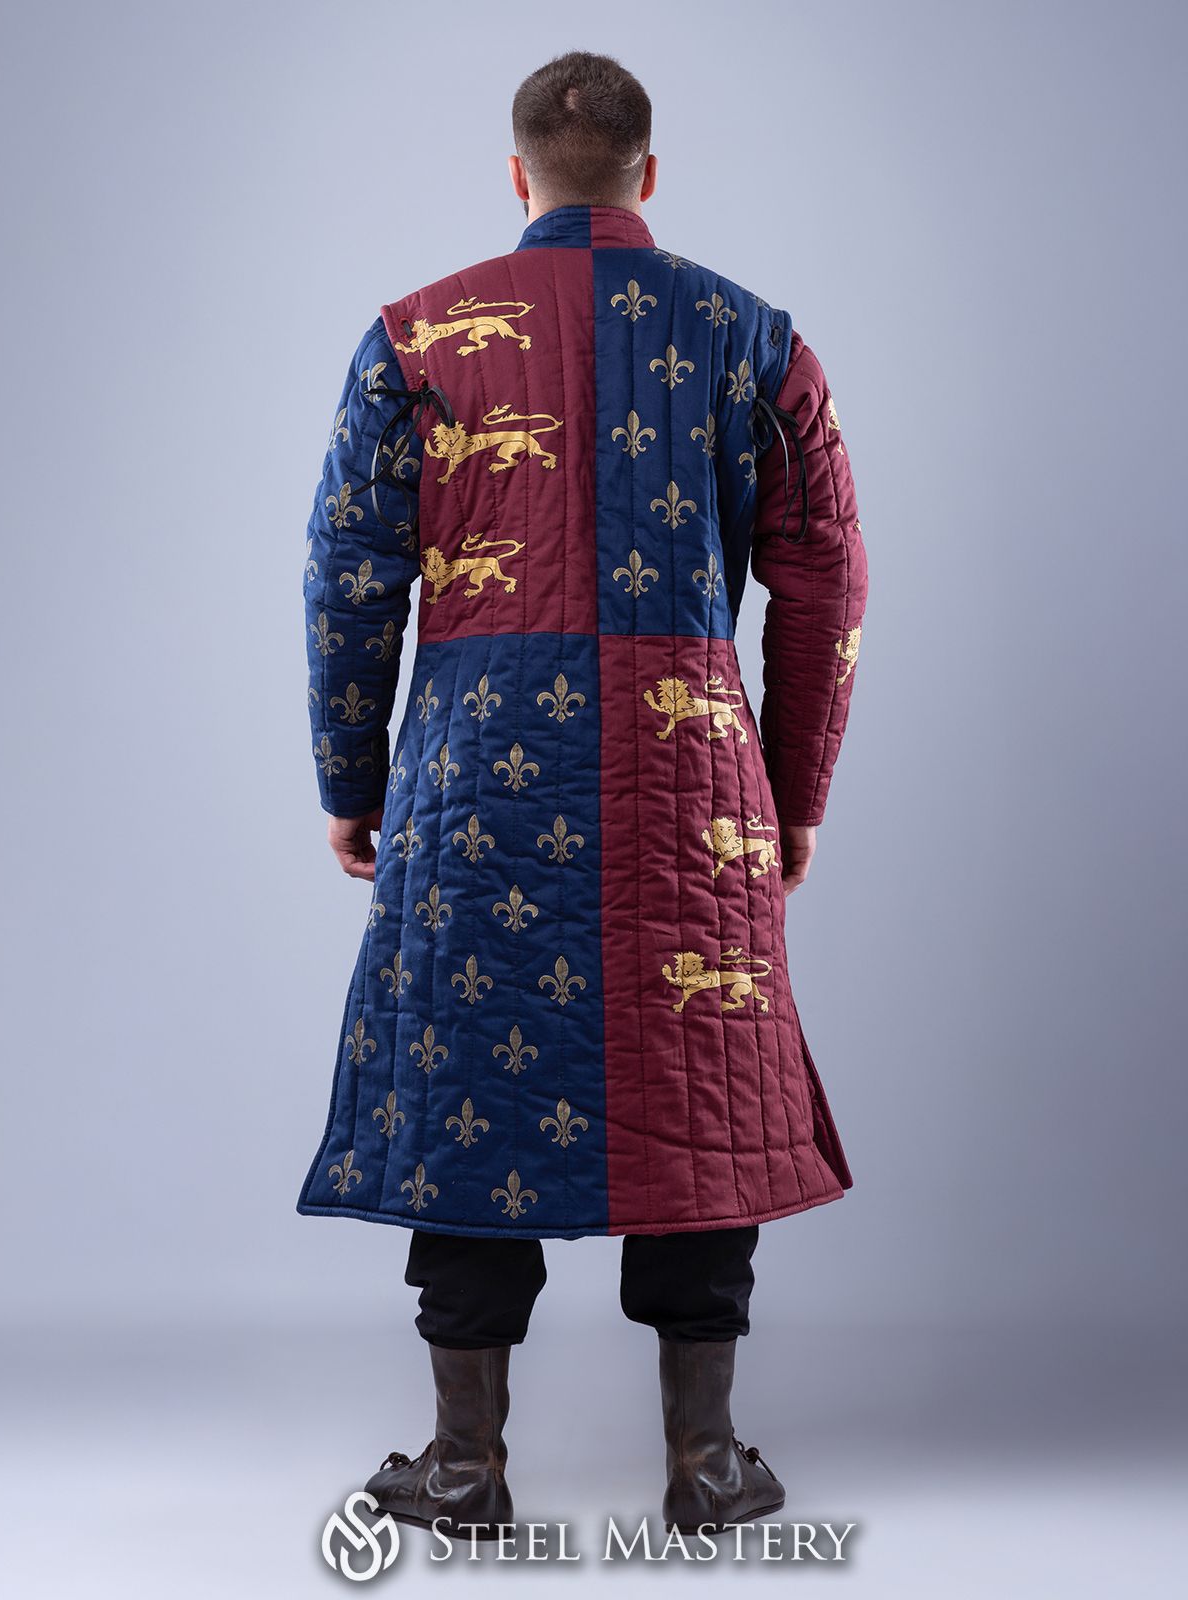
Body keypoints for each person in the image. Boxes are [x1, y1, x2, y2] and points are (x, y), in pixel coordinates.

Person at [298, 51, 867, 1539]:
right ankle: (707, 1465)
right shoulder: (755, 337)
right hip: (694, 775)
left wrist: (349, 779)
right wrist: (794, 789)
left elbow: (348, 577)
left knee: (464, 1082)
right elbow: (825, 580)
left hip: (472, 773)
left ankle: (465, 1467)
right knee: (699, 1085)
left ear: (518, 177)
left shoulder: (414, 337)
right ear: (648, 175)